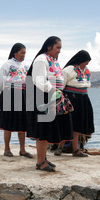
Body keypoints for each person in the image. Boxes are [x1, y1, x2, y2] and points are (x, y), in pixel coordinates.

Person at [26, 36, 74, 172]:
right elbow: (38, 80)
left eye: (60, 48)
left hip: (52, 95)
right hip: (43, 97)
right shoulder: (41, 59)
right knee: (43, 129)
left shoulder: (53, 60)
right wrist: (53, 90)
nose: (59, 51)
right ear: (49, 47)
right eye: (57, 47)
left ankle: (44, 158)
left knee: (48, 129)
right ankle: (40, 162)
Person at [0, 43, 33, 158]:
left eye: (25, 53)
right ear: (15, 52)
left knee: (23, 123)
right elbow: (1, 81)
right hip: (9, 95)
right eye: (22, 52)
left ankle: (22, 150)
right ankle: (7, 149)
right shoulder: (7, 64)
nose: (24, 55)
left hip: (23, 95)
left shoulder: (26, 65)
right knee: (8, 123)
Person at [55, 50, 94, 157]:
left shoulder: (86, 71)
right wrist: (61, 101)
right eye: (86, 61)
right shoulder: (68, 70)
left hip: (83, 99)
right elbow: (61, 86)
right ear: (80, 60)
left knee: (77, 124)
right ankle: (60, 147)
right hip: (71, 99)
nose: (87, 63)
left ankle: (75, 149)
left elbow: (86, 83)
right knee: (67, 122)